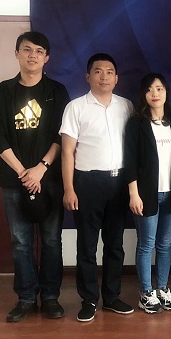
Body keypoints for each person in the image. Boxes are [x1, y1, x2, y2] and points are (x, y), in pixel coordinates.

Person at [0, 31, 70, 322]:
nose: (33, 55)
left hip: (50, 179)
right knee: (20, 241)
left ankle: (50, 297)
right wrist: (22, 172)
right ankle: (26, 297)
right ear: (17, 53)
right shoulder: (2, 92)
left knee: (51, 240)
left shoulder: (57, 91)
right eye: (27, 49)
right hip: (13, 179)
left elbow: (62, 134)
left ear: (46, 58)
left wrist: (41, 167)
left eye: (39, 51)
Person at [60, 53, 135, 322]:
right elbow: (67, 152)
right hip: (87, 182)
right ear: (88, 76)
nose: (104, 76)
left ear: (116, 78)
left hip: (119, 182)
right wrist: (69, 188)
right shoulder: (76, 107)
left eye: (109, 72)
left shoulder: (126, 106)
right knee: (87, 245)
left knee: (115, 244)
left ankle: (112, 297)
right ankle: (89, 299)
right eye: (98, 71)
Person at [124, 73, 171, 314]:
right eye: (150, 89)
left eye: (159, 89)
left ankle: (162, 288)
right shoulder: (136, 124)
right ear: (143, 94)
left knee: (165, 245)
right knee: (146, 245)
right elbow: (130, 160)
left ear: (166, 93)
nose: (155, 94)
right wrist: (133, 193)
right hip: (145, 194)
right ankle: (146, 293)